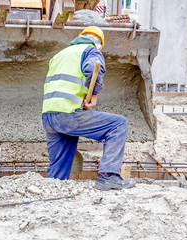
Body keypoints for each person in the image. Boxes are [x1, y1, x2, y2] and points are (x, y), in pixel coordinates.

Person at [42, 26, 136, 190]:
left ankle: (51, 192)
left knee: (57, 172)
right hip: (68, 114)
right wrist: (94, 94)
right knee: (118, 124)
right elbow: (93, 69)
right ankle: (108, 176)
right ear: (99, 43)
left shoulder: (60, 55)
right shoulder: (91, 51)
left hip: (49, 116)